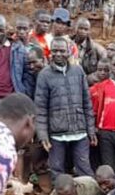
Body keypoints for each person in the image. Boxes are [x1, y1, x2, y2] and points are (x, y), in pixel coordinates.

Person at [35, 36, 96, 180]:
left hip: (80, 131)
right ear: (50, 53)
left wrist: (91, 130)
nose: (58, 54)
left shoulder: (78, 71)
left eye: (62, 51)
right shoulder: (44, 75)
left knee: (84, 168)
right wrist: (43, 135)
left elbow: (87, 102)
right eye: (54, 50)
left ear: (68, 52)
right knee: (57, 170)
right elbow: (40, 108)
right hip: (57, 133)